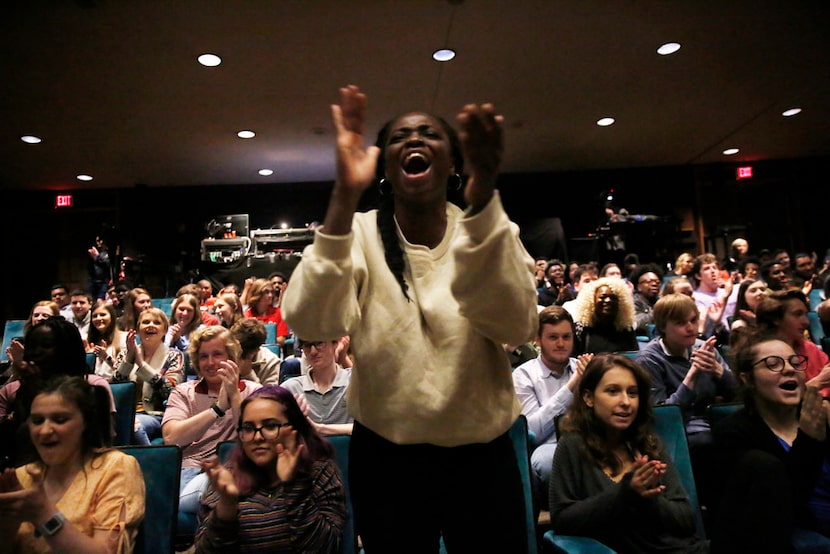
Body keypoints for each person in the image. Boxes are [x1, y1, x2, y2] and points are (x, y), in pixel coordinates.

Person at [282, 85, 538, 552]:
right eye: (400, 137)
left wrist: (483, 205)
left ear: (454, 165)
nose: (414, 140)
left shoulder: (488, 228)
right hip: (388, 460)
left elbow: (516, 325)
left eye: (429, 134)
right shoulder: (357, 232)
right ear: (384, 169)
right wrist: (343, 195)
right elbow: (311, 319)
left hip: (482, 458)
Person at [549, 354, 708, 553]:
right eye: (613, 391)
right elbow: (563, 520)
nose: (626, 402)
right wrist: (626, 493)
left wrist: (650, 497)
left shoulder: (648, 443)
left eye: (632, 393)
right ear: (589, 398)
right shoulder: (572, 445)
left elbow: (685, 521)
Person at [710, 330, 830, 552]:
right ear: (747, 379)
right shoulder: (732, 434)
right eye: (773, 364)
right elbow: (784, 503)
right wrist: (809, 440)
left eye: (795, 362)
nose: (789, 369)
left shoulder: (822, 415)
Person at [0, 375, 145, 553]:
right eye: (37, 421)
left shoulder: (116, 467)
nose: (45, 431)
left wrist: (44, 514)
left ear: (85, 423)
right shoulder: (22, 475)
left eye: (59, 420)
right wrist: (7, 523)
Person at [194, 385, 346, 553]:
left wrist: (295, 484)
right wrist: (227, 506)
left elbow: (325, 548)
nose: (258, 437)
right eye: (249, 428)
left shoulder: (318, 470)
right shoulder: (230, 475)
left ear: (294, 428)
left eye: (270, 426)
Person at [162, 326, 261, 520]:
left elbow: (254, 435)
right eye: (204, 356)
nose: (210, 363)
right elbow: (171, 438)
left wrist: (233, 397)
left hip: (238, 468)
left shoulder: (254, 391)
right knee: (214, 491)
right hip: (191, 471)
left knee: (224, 487)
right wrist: (217, 408)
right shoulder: (184, 392)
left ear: (231, 357)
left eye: (217, 354)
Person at [0, 316, 116, 469]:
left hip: (82, 470)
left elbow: (102, 442)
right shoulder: (12, 389)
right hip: (20, 469)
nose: (36, 352)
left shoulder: (93, 387)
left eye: (46, 345)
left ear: (67, 350)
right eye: (32, 346)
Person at [512, 305, 593, 512]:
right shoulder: (523, 376)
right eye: (553, 337)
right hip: (549, 445)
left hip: (590, 439)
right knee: (548, 463)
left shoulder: (584, 367)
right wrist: (573, 383)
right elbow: (533, 432)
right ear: (538, 340)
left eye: (566, 337)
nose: (561, 344)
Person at [636, 293, 735, 452]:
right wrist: (692, 374)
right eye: (681, 323)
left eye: (694, 320)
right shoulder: (649, 360)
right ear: (662, 327)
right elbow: (664, 415)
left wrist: (718, 370)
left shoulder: (705, 349)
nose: (690, 328)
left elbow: (737, 393)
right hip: (680, 428)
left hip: (712, 419)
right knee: (705, 442)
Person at [113, 307, 184, 445]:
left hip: (156, 414)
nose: (150, 325)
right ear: (138, 329)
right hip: (125, 412)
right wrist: (129, 359)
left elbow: (172, 391)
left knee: (133, 425)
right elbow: (116, 386)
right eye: (145, 322)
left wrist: (142, 365)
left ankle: (152, 462)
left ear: (164, 330)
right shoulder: (126, 353)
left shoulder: (174, 356)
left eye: (156, 322)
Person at [755, 290, 830, 392]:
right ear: (775, 319)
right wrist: (818, 383)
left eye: (805, 315)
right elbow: (779, 400)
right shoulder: (760, 356)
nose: (806, 322)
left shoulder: (809, 348)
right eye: (797, 314)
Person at [282, 338, 354, 436]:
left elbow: (374, 428)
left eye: (319, 343)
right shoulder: (291, 388)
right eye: (307, 346)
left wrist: (320, 429)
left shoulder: (354, 381)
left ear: (335, 344)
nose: (313, 351)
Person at [572, 277, 639, 355]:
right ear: (592, 300)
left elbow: (634, 357)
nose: (608, 300)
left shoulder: (626, 329)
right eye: (602, 297)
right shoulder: (581, 329)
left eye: (613, 298)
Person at [229, 318, 281, 385]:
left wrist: (248, 374)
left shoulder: (271, 362)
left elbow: (269, 394)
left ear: (257, 349)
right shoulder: (228, 352)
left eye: (241, 354)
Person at [88, 300, 128, 380]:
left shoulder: (124, 338)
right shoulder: (89, 341)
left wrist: (106, 357)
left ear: (112, 317)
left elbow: (123, 372)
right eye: (95, 316)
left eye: (103, 315)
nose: (98, 318)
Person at [243, 278, 290, 347]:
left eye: (271, 292)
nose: (270, 295)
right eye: (266, 292)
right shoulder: (247, 315)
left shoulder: (279, 313)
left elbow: (281, 340)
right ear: (257, 294)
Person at [629, 263, 663, 337]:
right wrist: (659, 310)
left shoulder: (663, 300)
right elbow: (636, 324)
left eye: (657, 282)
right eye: (649, 282)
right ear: (638, 287)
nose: (654, 284)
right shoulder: (632, 303)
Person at [87, 235, 112, 301]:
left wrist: (97, 257)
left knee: (100, 300)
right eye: (97, 241)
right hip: (93, 282)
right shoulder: (94, 252)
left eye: (101, 240)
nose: (99, 242)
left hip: (104, 282)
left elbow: (107, 265)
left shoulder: (108, 253)